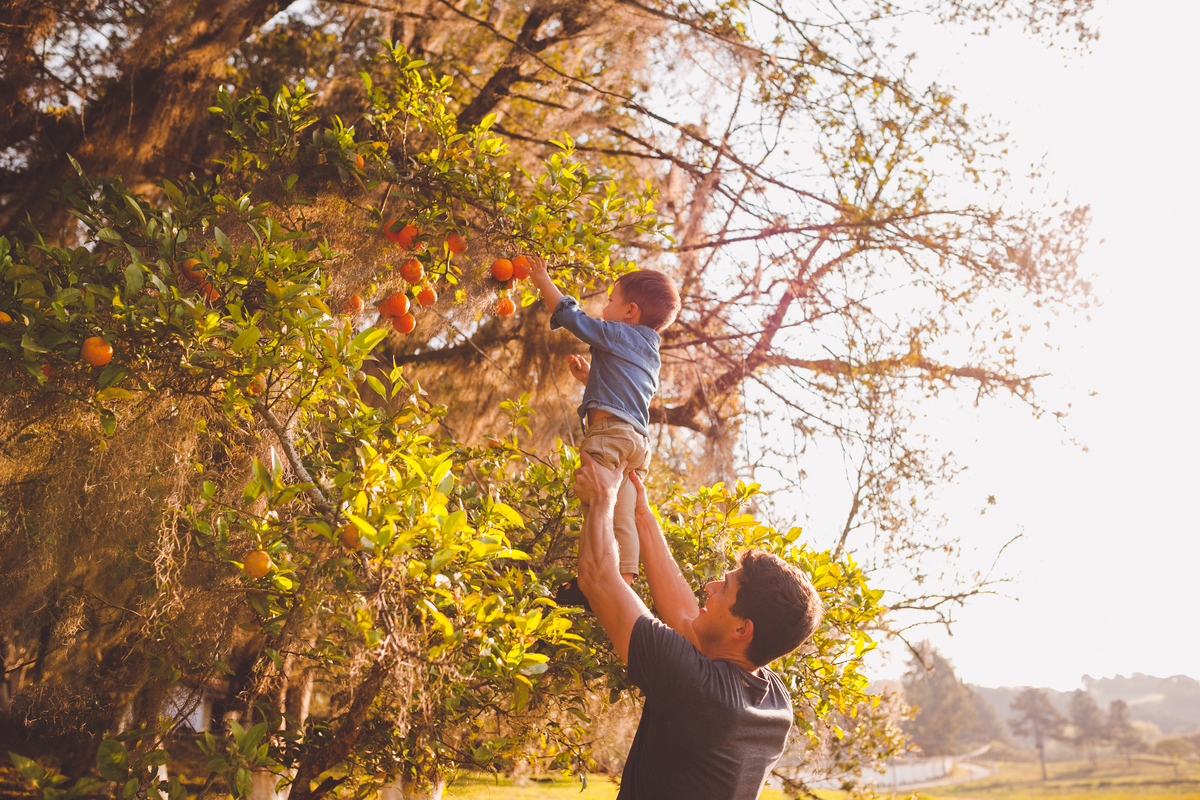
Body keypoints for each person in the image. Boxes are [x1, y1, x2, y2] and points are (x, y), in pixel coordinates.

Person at [573, 452, 824, 800]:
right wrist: (643, 518)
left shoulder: (699, 690)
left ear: (742, 630)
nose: (710, 588)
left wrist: (603, 497)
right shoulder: (774, 702)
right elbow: (684, 617)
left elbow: (597, 578)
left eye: (725, 588)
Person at [524, 257, 680, 594]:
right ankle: (623, 578)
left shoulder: (620, 333)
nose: (605, 306)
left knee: (596, 502)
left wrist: (542, 279)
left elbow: (572, 318)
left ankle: (590, 580)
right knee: (621, 514)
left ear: (630, 311)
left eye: (611, 300)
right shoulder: (651, 350)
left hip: (609, 437)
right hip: (636, 444)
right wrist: (589, 379)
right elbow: (624, 393)